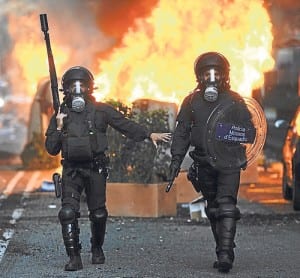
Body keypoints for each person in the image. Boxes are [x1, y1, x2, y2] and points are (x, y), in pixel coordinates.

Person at [45, 66, 171, 271]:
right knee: (68, 212)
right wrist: (59, 127)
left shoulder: (100, 111)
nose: (78, 90)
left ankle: (97, 248)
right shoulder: (60, 114)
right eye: (73, 86)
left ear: (90, 88)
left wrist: (148, 134)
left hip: (96, 169)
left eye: (82, 86)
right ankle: (74, 257)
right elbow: (51, 149)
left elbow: (124, 124)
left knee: (99, 214)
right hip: (71, 170)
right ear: (65, 90)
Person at [168, 52, 255, 273]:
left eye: (217, 73)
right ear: (200, 77)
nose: (212, 78)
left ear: (224, 76)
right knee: (214, 209)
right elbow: (182, 132)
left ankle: (225, 255)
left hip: (229, 162)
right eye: (208, 73)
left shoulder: (235, 101)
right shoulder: (191, 102)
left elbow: (250, 132)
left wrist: (225, 133)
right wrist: (176, 160)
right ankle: (223, 247)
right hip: (203, 163)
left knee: (226, 206)